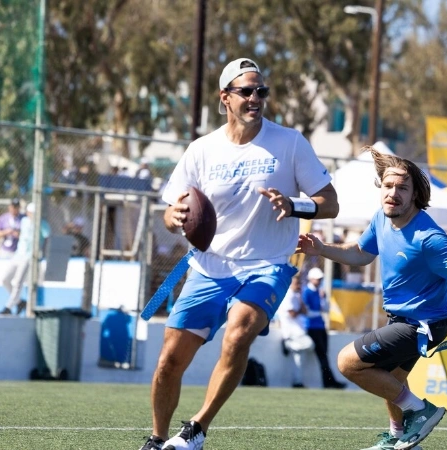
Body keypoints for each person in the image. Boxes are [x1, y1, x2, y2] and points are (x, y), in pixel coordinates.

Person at [138, 57, 339, 450]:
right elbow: (170, 211)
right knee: (169, 361)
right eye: (246, 91)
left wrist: (295, 205)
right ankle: (158, 438)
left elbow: (329, 203)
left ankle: (196, 428)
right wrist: (173, 217)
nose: (255, 98)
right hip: (208, 268)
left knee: (238, 334)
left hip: (268, 265)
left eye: (261, 91)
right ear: (225, 97)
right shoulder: (201, 149)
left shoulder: (290, 143)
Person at [297, 146, 447, 450]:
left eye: (402, 188)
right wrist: (322, 249)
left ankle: (421, 410)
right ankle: (399, 437)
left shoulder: (428, 237)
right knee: (391, 377)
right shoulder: (381, 219)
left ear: (415, 195)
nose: (393, 193)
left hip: (425, 324)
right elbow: (360, 253)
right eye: (388, 185)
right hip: (403, 319)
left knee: (348, 362)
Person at [0, 203, 51, 315]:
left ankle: (8, 307)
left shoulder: (43, 224)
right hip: (18, 255)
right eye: (31, 213)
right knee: (5, 279)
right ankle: (19, 302)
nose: (32, 215)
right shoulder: (24, 221)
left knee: (18, 282)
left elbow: (48, 237)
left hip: (30, 257)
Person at [302, 267, 347, 389]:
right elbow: (307, 312)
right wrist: (319, 311)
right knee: (322, 355)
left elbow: (326, 309)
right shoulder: (306, 292)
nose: (319, 281)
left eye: (320, 279)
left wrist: (323, 298)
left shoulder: (319, 292)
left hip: (321, 327)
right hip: (312, 327)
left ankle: (329, 381)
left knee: (324, 355)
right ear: (311, 279)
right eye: (317, 279)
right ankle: (329, 382)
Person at [278, 274, 313, 388]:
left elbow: (305, 311)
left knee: (298, 360)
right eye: (296, 284)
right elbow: (292, 313)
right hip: (292, 332)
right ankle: (287, 343)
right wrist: (300, 310)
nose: (299, 286)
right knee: (310, 344)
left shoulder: (296, 295)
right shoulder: (288, 295)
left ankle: (297, 382)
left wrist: (300, 298)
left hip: (298, 332)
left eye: (299, 283)